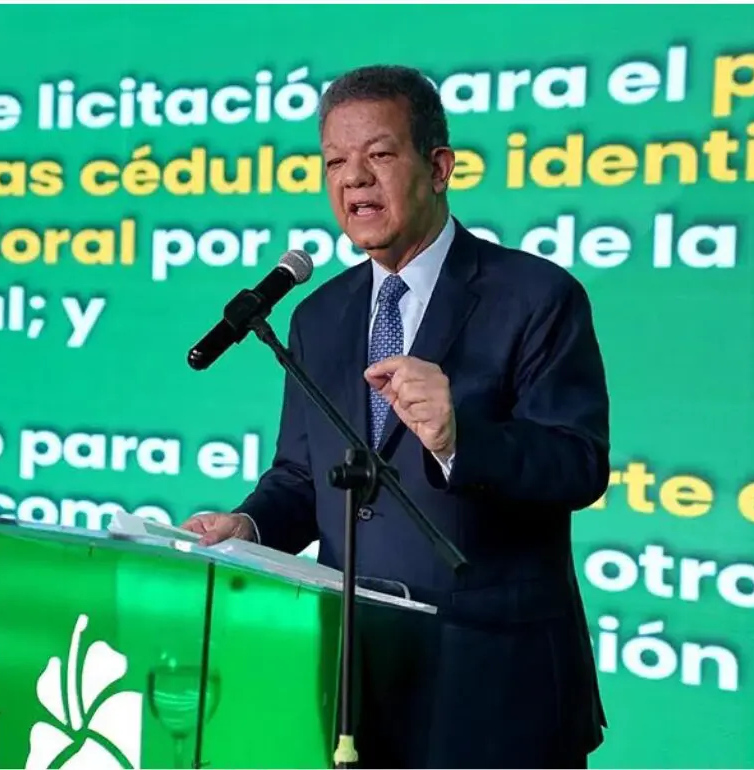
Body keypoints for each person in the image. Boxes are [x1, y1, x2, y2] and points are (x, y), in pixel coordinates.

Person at [182, 64, 610, 769]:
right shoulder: (320, 316)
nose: (353, 180)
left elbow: (578, 465)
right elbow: (302, 474)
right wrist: (250, 526)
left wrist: (459, 439)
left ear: (438, 167)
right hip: (359, 691)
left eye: (378, 155)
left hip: (495, 689)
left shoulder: (535, 296)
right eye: (335, 163)